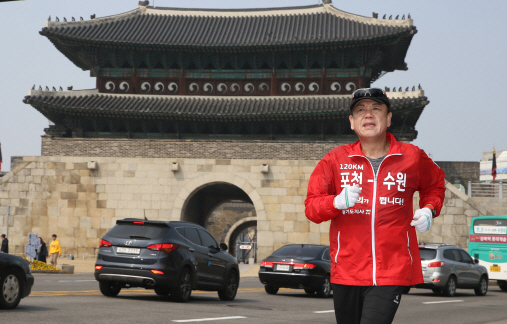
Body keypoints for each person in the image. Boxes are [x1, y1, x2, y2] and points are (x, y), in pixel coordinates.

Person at [305, 88, 445, 324]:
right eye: (360, 110)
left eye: (376, 109)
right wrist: (335, 202)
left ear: (388, 118)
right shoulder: (335, 160)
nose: (368, 114)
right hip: (347, 271)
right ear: (351, 122)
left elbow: (435, 185)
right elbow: (311, 207)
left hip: (391, 270)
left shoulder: (412, 157)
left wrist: (429, 209)